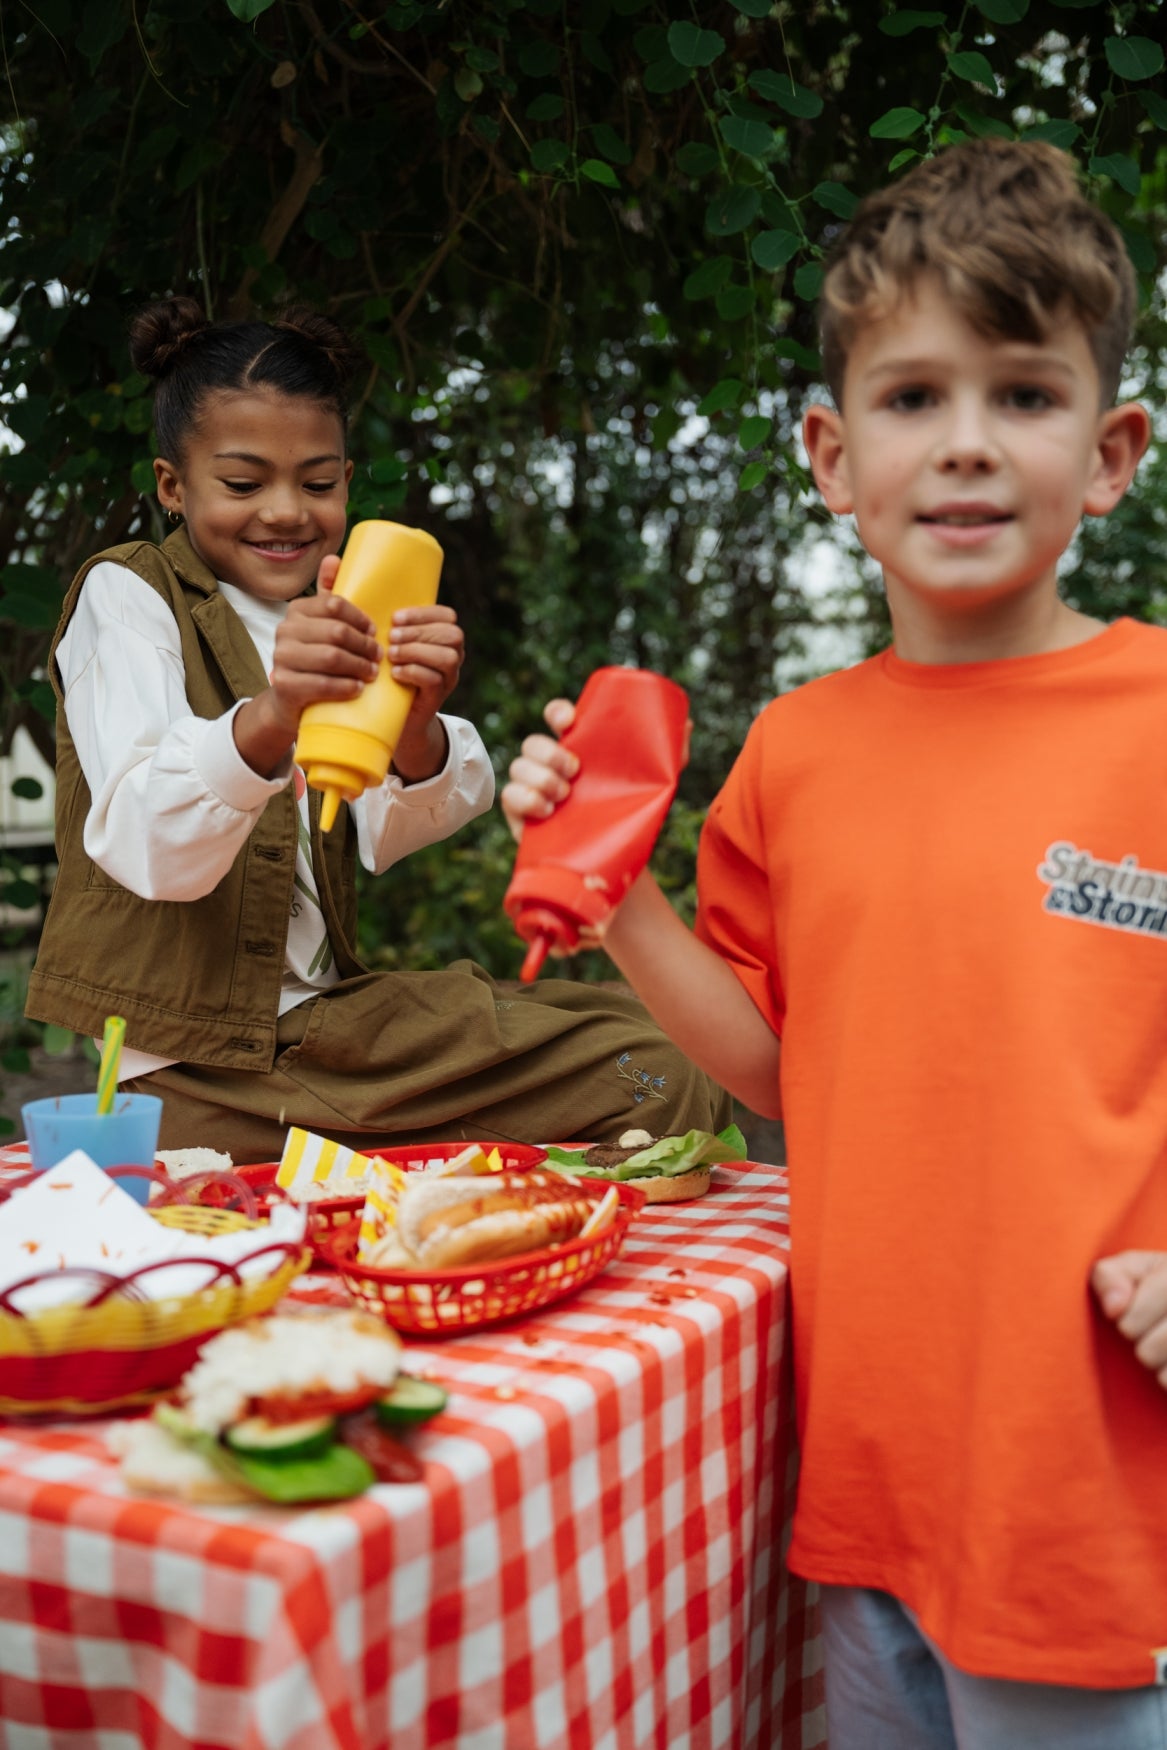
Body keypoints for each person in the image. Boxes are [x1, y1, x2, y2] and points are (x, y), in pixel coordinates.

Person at [503, 138, 1167, 1746]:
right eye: (909, 396)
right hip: (868, 1482)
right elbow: (774, 1068)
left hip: (1081, 1501)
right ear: (825, 452)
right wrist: (620, 892)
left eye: (1021, 395)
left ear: (1109, 451)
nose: (962, 445)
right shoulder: (792, 752)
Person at [26, 298, 729, 1159]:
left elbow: (377, 836)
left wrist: (412, 724)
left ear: (348, 483)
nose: (285, 511)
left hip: (319, 1023)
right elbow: (145, 844)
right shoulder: (128, 596)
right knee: (655, 1070)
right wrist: (276, 715)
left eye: (317, 483)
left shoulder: (342, 606)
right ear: (173, 486)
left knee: (644, 1023)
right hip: (198, 1064)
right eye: (243, 483)